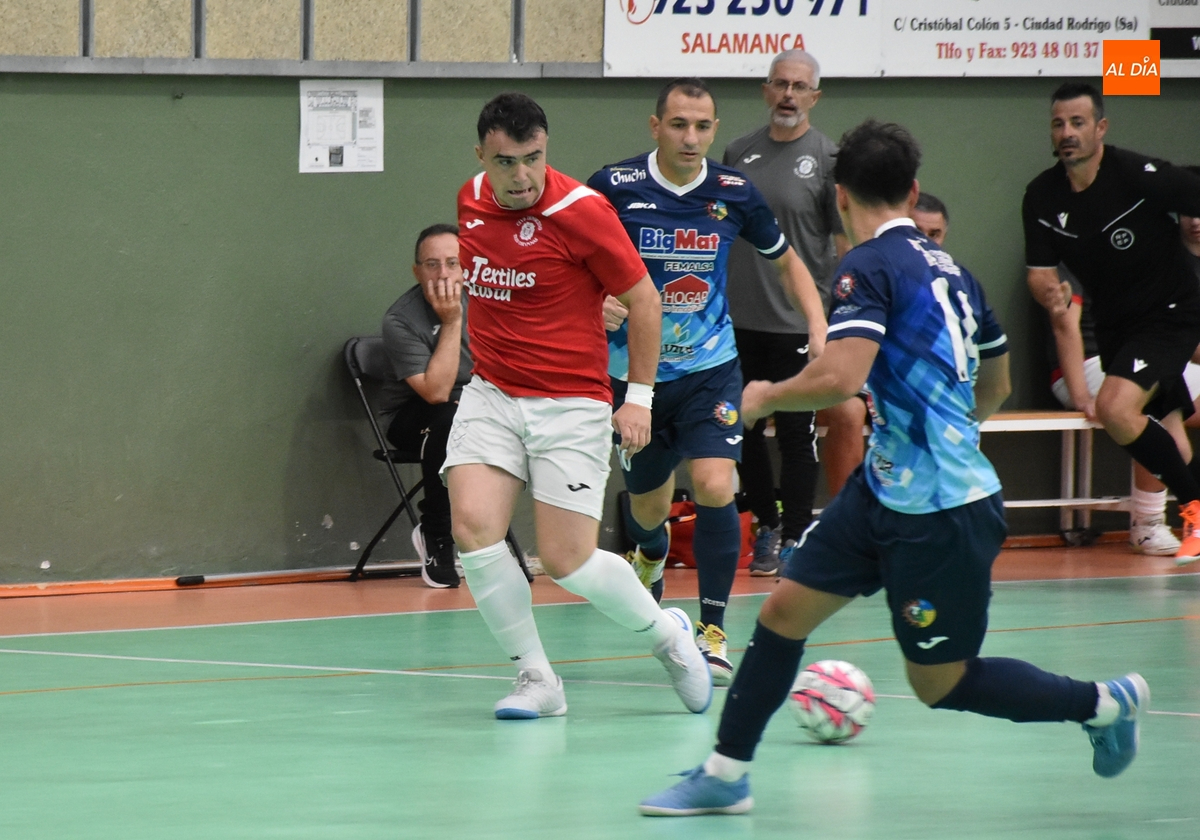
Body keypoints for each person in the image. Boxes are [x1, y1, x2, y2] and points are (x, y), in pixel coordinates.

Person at [638, 119, 1149, 817]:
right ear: (912, 191)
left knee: (941, 683)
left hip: (941, 512)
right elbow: (997, 383)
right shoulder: (956, 272)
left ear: (840, 197)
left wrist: (764, 397)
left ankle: (1102, 704)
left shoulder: (867, 267)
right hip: (882, 491)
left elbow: (841, 376)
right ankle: (726, 775)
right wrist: (946, 430)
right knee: (783, 613)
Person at [445, 92, 712, 720]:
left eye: (533, 158)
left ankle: (667, 635)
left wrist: (639, 399)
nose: (522, 176)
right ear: (481, 155)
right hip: (492, 391)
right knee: (473, 529)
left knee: (567, 560)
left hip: (570, 402)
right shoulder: (470, 200)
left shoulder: (582, 211)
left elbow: (645, 300)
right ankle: (537, 678)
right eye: (506, 162)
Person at [589, 78, 827, 686]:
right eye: (678, 124)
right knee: (649, 506)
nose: (690, 137)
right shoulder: (614, 186)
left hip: (709, 369)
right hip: (634, 377)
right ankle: (650, 550)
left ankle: (713, 632)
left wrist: (819, 323)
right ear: (655, 126)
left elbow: (787, 260)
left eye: (701, 126)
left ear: (715, 130)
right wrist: (595, 301)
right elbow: (567, 262)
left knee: (717, 484)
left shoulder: (733, 191)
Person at [918, 193, 1181, 555]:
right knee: (1155, 403)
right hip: (1086, 369)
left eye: (934, 234)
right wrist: (1081, 396)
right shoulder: (1067, 258)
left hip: (1132, 363)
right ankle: (1149, 523)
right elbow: (1064, 327)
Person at [1024, 82, 1200, 565]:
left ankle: (1194, 508)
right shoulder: (1041, 196)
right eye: (1059, 123)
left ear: (1100, 128)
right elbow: (1040, 272)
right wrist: (1051, 295)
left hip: (1172, 312)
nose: (1067, 132)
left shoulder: (1139, 175)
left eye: (1078, 122)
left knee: (1116, 409)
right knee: (1170, 436)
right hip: (1117, 326)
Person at [720, 49, 861, 576]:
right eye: (780, 84)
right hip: (740, 321)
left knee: (798, 434)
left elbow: (844, 245)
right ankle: (768, 526)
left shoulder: (829, 159)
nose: (788, 95)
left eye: (799, 87)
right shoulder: (738, 151)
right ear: (766, 90)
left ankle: (798, 537)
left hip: (799, 324)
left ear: (814, 97)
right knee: (742, 426)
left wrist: (834, 318)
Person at [380, 223, 474, 587]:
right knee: (449, 418)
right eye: (432, 264)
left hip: (474, 406)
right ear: (416, 271)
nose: (443, 274)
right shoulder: (400, 320)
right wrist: (451, 321)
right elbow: (435, 392)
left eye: (453, 263)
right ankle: (437, 534)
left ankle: (485, 537)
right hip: (413, 416)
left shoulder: (487, 301)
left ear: (467, 267)